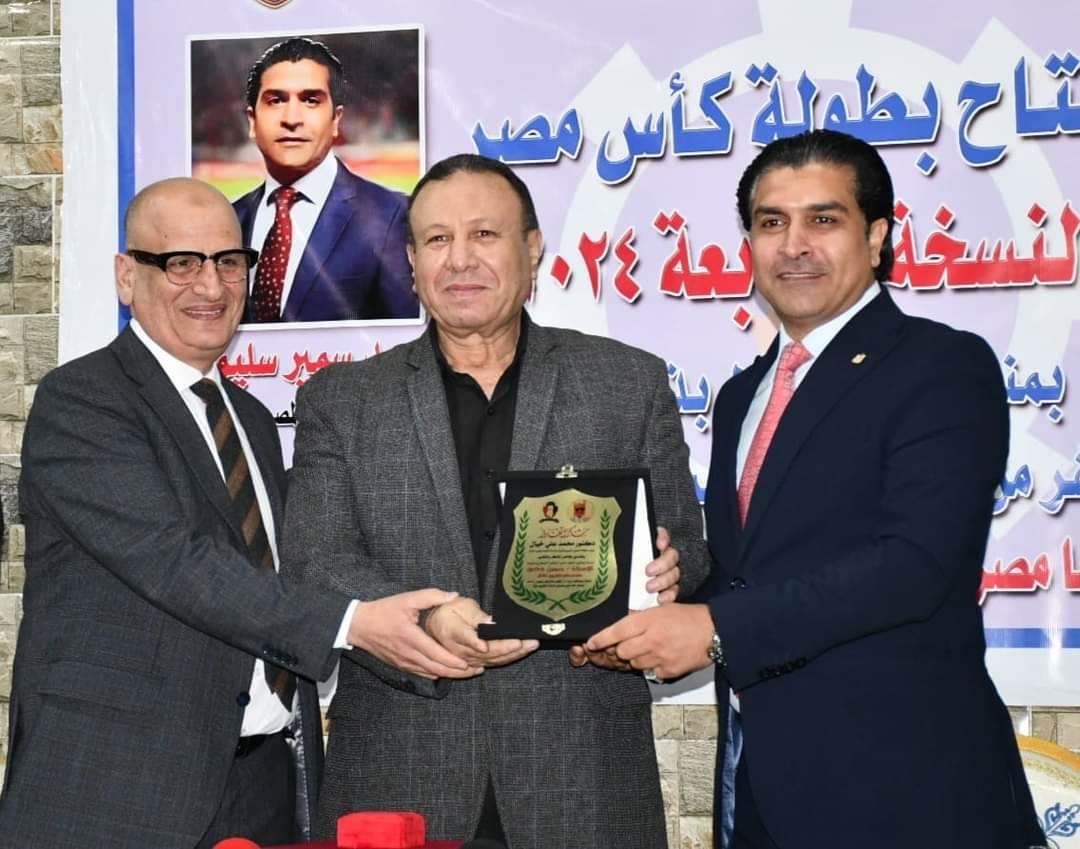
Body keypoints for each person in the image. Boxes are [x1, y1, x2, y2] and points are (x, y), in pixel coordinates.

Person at [587, 130, 1046, 849]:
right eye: (771, 222)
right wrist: (649, 606)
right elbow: (752, 573)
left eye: (823, 219)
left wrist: (713, 629)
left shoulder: (941, 366)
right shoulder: (742, 395)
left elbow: (914, 566)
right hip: (762, 790)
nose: (793, 245)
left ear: (878, 237)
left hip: (908, 794)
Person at [0, 178, 471, 849]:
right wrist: (353, 622)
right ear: (127, 277)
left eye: (229, 261)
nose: (211, 285)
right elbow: (177, 564)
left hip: (262, 788)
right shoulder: (83, 401)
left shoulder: (248, 417)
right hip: (116, 789)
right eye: (181, 262)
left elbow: (289, 565)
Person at [283, 153, 708, 849]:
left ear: (532, 248)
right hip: (399, 775)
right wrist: (424, 617)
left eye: (484, 234)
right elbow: (316, 562)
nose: (460, 259)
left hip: (584, 776)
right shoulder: (342, 400)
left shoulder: (625, 382)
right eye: (437, 239)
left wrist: (669, 570)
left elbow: (688, 544)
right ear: (412, 262)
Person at [233, 37, 418, 323]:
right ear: (252, 121)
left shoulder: (394, 215)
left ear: (335, 120)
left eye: (310, 100)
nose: (292, 118)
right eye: (276, 100)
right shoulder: (230, 219)